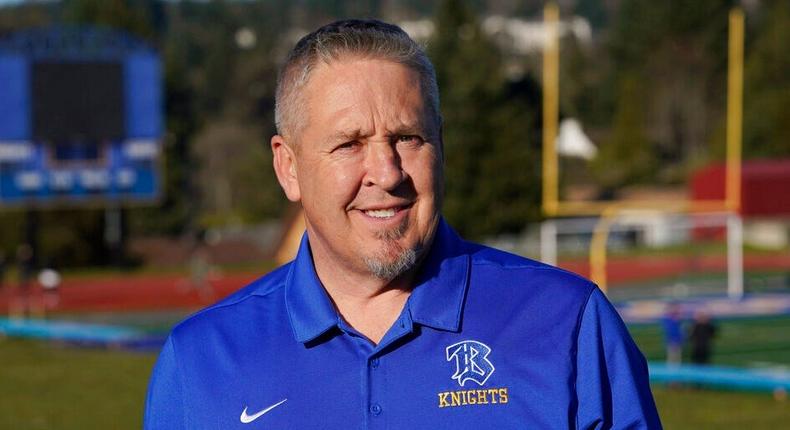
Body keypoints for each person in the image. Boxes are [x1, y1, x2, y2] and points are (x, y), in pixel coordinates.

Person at [145, 19, 661, 429]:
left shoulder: (568, 324)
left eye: (409, 138)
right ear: (289, 167)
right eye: (349, 144)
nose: (387, 173)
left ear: (442, 145)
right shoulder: (201, 362)